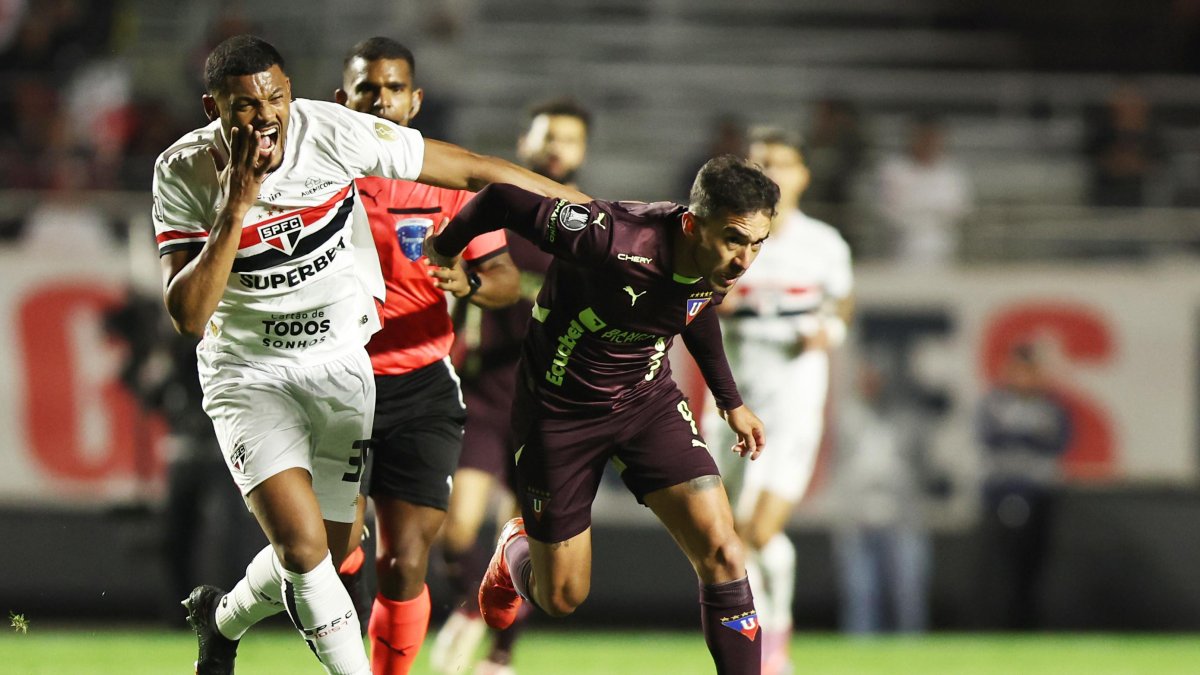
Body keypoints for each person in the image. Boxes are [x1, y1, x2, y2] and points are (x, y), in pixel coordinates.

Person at [154, 35, 585, 675]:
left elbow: (475, 172)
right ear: (212, 108)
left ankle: (222, 619)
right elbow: (189, 315)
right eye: (245, 105)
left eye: (275, 98)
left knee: (332, 552)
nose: (265, 116)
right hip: (252, 374)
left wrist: (599, 212)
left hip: (345, 368)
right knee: (303, 550)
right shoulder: (183, 168)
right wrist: (236, 206)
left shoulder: (331, 133)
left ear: (293, 94)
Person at [426, 155, 777, 675]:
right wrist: (445, 249)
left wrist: (731, 401)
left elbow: (694, 309)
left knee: (724, 552)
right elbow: (499, 198)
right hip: (558, 414)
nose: (745, 259)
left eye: (757, 244)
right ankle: (513, 550)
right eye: (734, 240)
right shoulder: (609, 237)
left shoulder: (719, 262)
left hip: (646, 402)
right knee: (561, 596)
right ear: (691, 224)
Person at [331, 36, 522, 675]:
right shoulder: (316, 179)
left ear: (414, 101)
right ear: (342, 100)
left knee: (407, 560)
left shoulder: (447, 181)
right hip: (334, 380)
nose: (380, 101)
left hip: (419, 383)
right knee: (333, 549)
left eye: (393, 89)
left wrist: (470, 282)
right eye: (367, 89)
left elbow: (502, 278)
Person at [432, 97, 591, 675]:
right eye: (548, 135)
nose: (557, 148)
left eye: (569, 139)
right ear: (525, 143)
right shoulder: (496, 210)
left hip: (550, 402)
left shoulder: (590, 229)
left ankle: (502, 657)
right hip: (486, 393)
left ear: (583, 151)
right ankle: (471, 607)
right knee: (455, 532)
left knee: (529, 539)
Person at [703, 127, 853, 675]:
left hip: (792, 401)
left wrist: (828, 331)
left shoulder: (823, 244)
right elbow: (693, 297)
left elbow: (841, 304)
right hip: (731, 400)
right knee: (729, 535)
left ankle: (772, 644)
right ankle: (769, 642)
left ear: (803, 174)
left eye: (782, 163)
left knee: (758, 529)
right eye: (761, 162)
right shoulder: (723, 234)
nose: (772, 173)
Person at [830, 350, 933, 635]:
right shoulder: (847, 417)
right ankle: (860, 652)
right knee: (861, 593)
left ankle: (912, 652)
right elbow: (839, 466)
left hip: (901, 515)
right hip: (857, 515)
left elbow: (921, 466)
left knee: (907, 593)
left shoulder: (907, 418)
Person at [976, 344, 1072, 629]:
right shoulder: (996, 403)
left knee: (1035, 564)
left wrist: (1020, 436)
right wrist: (1029, 436)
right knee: (1000, 565)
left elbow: (1058, 442)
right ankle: (998, 623)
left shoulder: (1050, 406)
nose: (1024, 377)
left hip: (1039, 492)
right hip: (1001, 491)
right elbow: (990, 438)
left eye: (1030, 371)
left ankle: (1030, 623)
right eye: (1018, 370)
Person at [876, 114, 972, 265]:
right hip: (901, 249)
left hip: (945, 249)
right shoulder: (894, 169)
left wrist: (925, 212)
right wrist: (929, 213)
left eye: (932, 137)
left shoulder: (952, 172)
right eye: (922, 137)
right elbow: (890, 210)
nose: (927, 142)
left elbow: (959, 208)